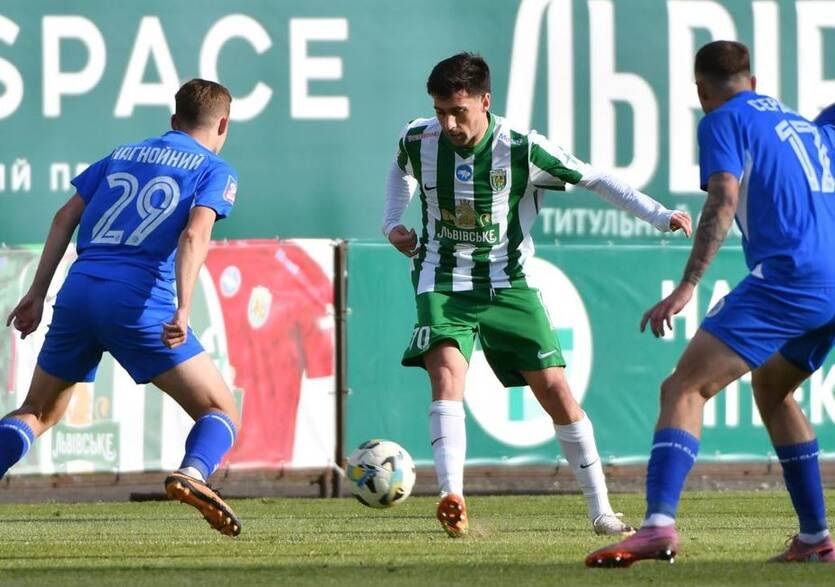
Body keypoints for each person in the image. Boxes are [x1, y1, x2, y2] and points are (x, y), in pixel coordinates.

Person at [383, 52, 692, 538]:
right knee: (445, 376)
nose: (449, 124)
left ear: (485, 101)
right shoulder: (418, 138)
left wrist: (659, 215)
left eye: (459, 112)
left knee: (556, 392)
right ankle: (452, 497)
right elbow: (399, 171)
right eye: (441, 112)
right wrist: (391, 224)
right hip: (442, 278)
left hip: (509, 282)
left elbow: (595, 178)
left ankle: (602, 511)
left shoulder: (521, 148)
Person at [586, 41, 835, 567]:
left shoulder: (723, 119)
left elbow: (723, 196)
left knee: (683, 388)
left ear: (701, 91)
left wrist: (688, 285)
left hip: (790, 277)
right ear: (754, 81)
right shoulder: (804, 127)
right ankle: (816, 538)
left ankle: (657, 526)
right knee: (773, 388)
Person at [3, 79, 242, 537]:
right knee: (220, 409)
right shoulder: (215, 169)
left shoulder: (122, 154)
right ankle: (193, 474)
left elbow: (64, 217)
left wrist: (36, 291)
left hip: (79, 291)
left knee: (37, 410)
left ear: (174, 120)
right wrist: (184, 307)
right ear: (223, 125)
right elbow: (194, 234)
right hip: (138, 301)